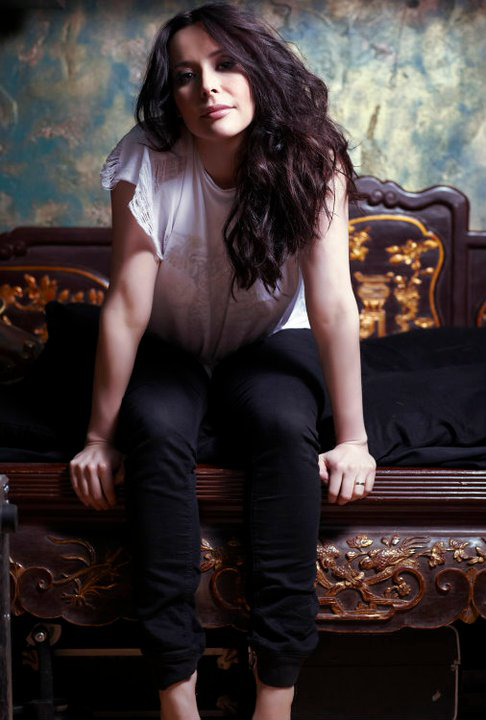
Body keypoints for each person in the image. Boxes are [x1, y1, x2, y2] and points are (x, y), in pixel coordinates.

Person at [69, 3, 376, 719]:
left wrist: (354, 438)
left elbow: (333, 304)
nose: (207, 86)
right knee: (156, 429)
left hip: (267, 339)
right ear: (171, 93)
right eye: (185, 75)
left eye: (226, 64)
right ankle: (176, 693)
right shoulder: (146, 157)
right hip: (168, 344)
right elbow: (127, 304)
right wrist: (96, 438)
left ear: (259, 70)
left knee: (283, 425)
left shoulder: (313, 158)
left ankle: (276, 695)